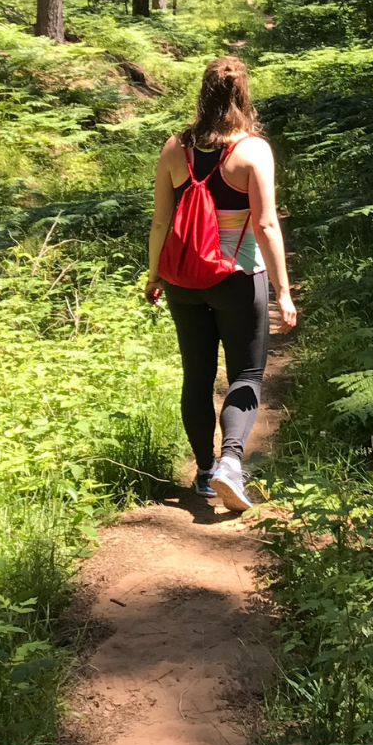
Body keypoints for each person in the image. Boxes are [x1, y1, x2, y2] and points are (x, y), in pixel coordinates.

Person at [145, 56, 297, 512]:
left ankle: (205, 471)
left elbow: (160, 222)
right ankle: (231, 462)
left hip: (184, 279)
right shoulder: (253, 151)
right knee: (245, 374)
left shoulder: (176, 148)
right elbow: (265, 225)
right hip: (238, 277)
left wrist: (154, 275)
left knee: (197, 375)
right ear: (242, 96)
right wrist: (283, 291)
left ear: (203, 94)